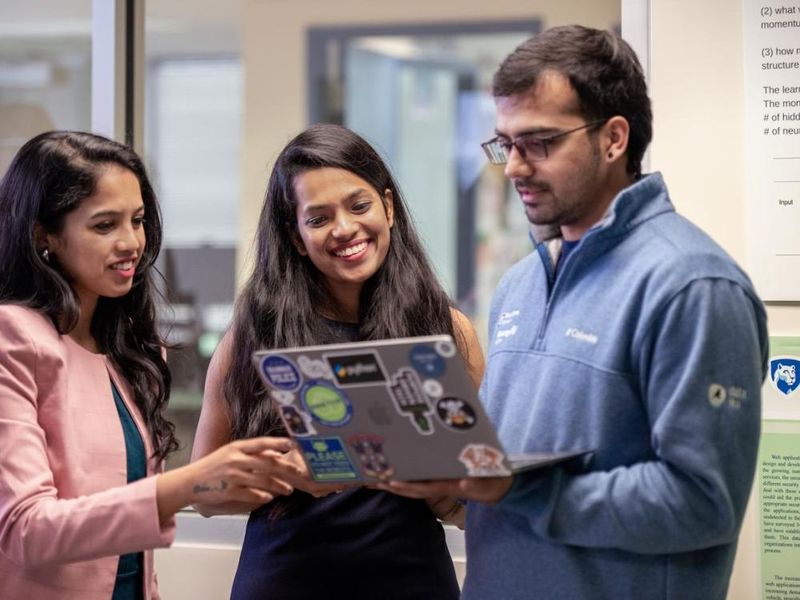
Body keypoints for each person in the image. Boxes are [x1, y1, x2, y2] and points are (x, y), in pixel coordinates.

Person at [380, 25, 768, 600]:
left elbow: (701, 503)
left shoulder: (694, 286)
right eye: (504, 144)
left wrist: (518, 490)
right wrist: (448, 480)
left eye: (538, 142)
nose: (512, 167)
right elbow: (507, 474)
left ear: (613, 139)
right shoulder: (520, 284)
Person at [0, 131, 303, 600]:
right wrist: (186, 484)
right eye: (104, 226)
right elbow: (28, 530)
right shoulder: (12, 337)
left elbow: (129, 546)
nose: (131, 243)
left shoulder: (130, 350)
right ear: (45, 236)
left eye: (137, 221)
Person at [191, 123, 484, 599]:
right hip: (285, 583)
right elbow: (201, 492)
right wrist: (283, 471)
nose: (345, 229)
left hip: (413, 583)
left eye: (359, 205)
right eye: (318, 217)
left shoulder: (445, 331)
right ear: (294, 234)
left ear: (387, 207)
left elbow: (476, 499)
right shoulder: (254, 337)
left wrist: (439, 482)